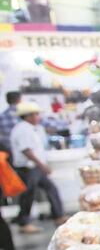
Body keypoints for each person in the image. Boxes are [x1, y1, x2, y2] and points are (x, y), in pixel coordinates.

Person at [11, 101, 65, 233]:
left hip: (35, 168)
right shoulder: (23, 129)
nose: (38, 117)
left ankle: (58, 215)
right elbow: (27, 151)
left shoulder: (32, 128)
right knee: (28, 195)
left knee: (51, 188)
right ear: (28, 116)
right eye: (36, 114)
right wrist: (42, 166)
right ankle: (24, 222)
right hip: (28, 168)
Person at [0, 91, 21, 158]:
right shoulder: (23, 115)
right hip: (22, 150)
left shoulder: (2, 116)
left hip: (6, 150)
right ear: (19, 100)